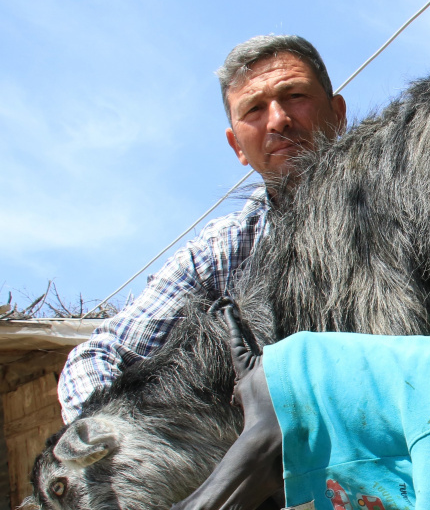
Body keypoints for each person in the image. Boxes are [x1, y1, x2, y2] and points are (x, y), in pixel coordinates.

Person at [57, 35, 347, 423]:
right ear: (237, 147)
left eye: (294, 96)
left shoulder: (406, 196)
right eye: (254, 109)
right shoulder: (222, 250)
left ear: (339, 113)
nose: (278, 119)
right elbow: (99, 355)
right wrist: (105, 442)